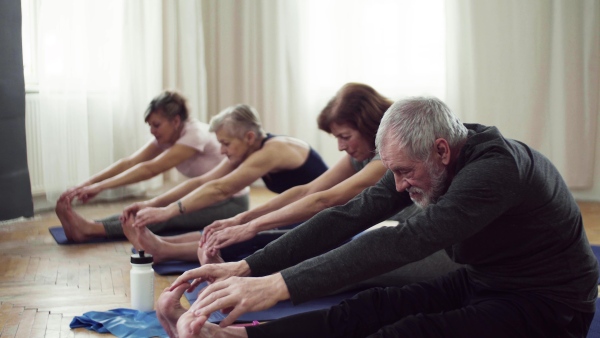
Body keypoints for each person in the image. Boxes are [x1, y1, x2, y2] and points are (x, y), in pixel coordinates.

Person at [161, 96, 598, 337]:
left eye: (405, 172)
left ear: (441, 150)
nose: (400, 185)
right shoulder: (434, 154)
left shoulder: (495, 170)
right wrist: (248, 266)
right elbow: (349, 215)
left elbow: (404, 241)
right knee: (369, 307)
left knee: (404, 334)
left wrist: (277, 286)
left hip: (549, 306)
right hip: (490, 280)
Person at [123, 84, 457, 291]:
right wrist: (245, 221)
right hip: (366, 221)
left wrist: (247, 223)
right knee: (292, 237)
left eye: (344, 136)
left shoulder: (387, 157)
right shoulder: (362, 153)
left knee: (323, 246)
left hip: (416, 234)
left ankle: (181, 252)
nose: (339, 147)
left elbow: (328, 199)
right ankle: (171, 248)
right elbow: (307, 190)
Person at [55, 90, 244, 242]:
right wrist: (88, 184)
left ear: (176, 121)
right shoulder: (168, 135)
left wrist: (101, 187)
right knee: (150, 209)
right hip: (205, 194)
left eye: (156, 125)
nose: (152, 131)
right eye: (150, 126)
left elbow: (151, 169)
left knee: (163, 216)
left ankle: (91, 230)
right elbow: (129, 163)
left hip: (230, 202)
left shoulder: (195, 135)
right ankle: (92, 224)